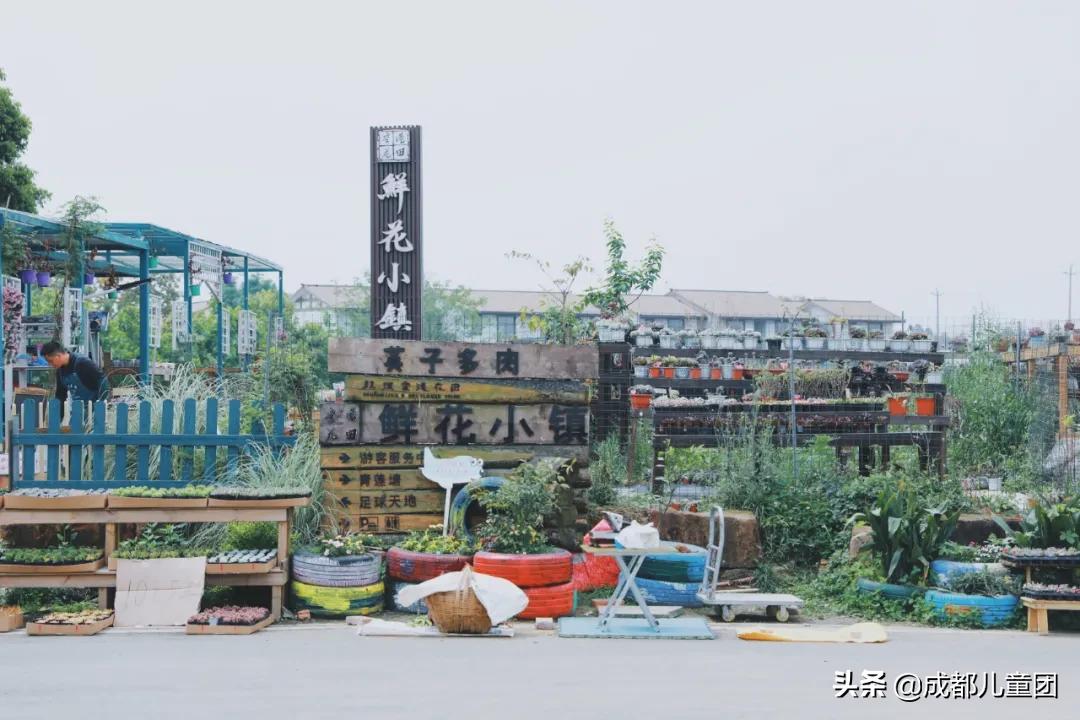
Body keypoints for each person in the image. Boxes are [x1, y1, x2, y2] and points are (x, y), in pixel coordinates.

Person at [41, 341, 110, 406]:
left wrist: (100, 404)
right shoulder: (60, 372)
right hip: (77, 408)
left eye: (50, 361)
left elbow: (103, 383)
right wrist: (58, 417)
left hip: (94, 408)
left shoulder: (83, 363)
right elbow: (61, 396)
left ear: (58, 356)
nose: (50, 364)